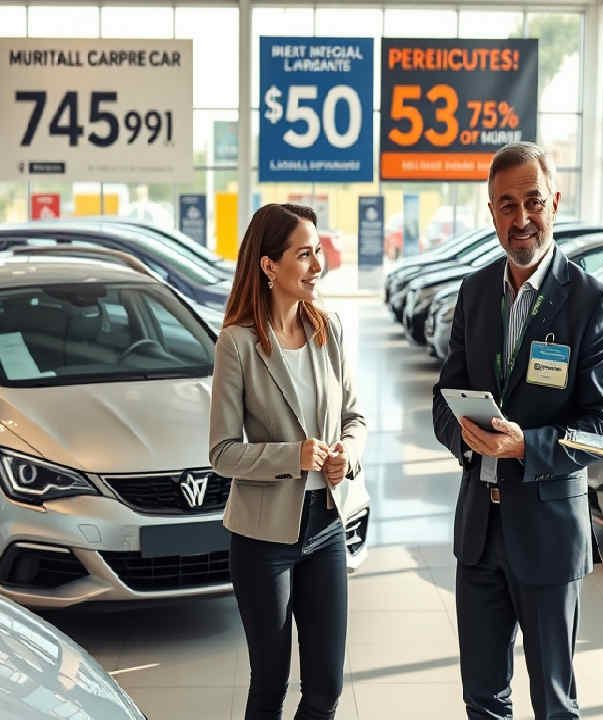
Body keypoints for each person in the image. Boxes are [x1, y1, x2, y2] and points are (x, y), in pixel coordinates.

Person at [431, 142, 603, 719]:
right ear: (491, 212)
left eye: (533, 202)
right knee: (482, 699)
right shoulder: (474, 292)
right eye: (507, 205)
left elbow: (602, 426)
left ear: (554, 202)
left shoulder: (590, 301)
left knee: (553, 704)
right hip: (479, 532)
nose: (521, 219)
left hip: (547, 535)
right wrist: (462, 435)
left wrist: (526, 445)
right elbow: (443, 401)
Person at [209, 203, 367, 720]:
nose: (318, 265)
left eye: (318, 251)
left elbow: (355, 418)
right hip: (262, 539)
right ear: (269, 265)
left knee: (326, 688)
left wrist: (348, 455)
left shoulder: (329, 330)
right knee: (270, 684)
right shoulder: (237, 344)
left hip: (326, 526)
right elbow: (221, 452)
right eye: (304, 254)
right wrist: (293, 457)